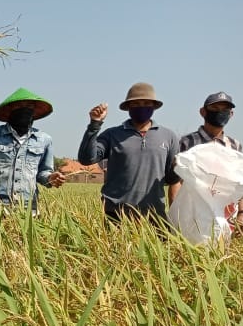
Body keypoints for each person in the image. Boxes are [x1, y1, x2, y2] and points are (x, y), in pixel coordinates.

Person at [77, 82, 181, 222]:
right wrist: (94, 125)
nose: (141, 107)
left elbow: (173, 179)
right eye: (136, 104)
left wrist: (177, 216)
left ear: (154, 107)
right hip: (115, 215)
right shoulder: (112, 135)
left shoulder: (168, 137)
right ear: (128, 108)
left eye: (146, 103)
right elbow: (86, 159)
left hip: (154, 216)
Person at [0, 87, 65, 212]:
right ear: (9, 110)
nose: (24, 110)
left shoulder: (44, 139)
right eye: (19, 106)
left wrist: (50, 178)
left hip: (30, 207)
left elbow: (42, 173)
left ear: (33, 112)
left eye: (29, 106)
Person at [177, 91, 243, 233]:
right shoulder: (187, 143)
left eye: (225, 109)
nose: (220, 112)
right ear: (203, 112)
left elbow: (239, 184)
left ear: (231, 114)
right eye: (215, 108)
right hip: (194, 213)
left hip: (226, 214)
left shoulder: (234, 146)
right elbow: (177, 182)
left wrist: (241, 213)